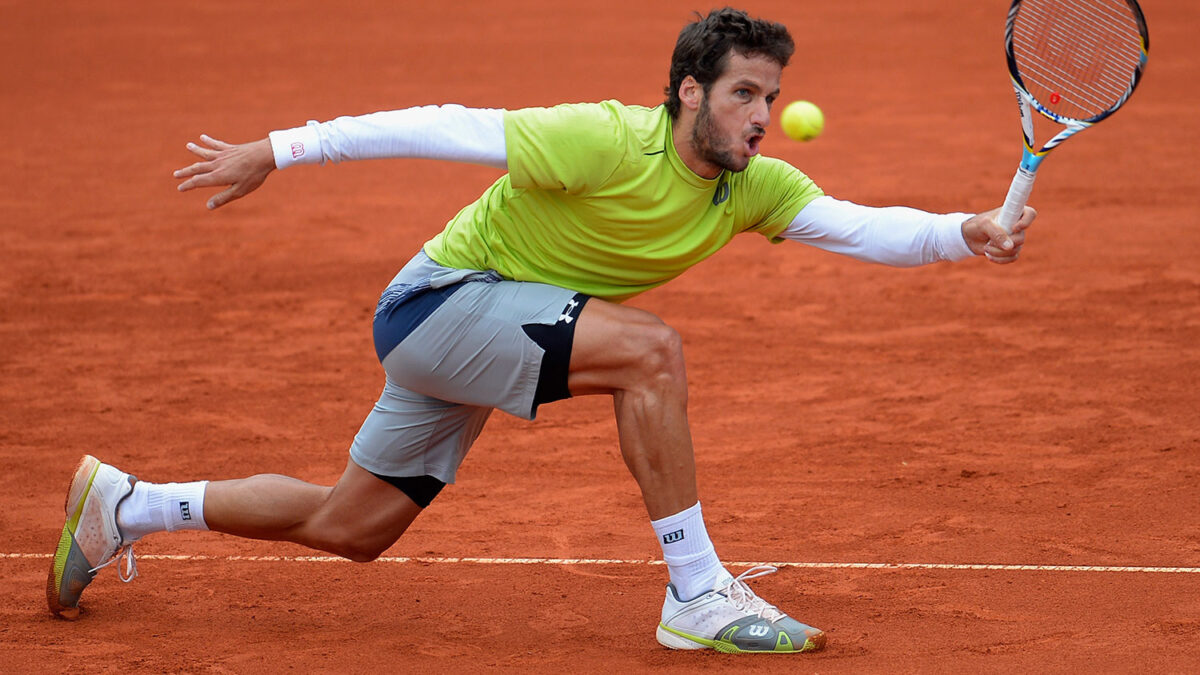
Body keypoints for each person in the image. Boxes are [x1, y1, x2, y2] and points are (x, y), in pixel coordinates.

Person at [47, 7, 1033, 654]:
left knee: (351, 527)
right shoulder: (602, 137)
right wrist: (280, 148)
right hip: (438, 303)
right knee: (651, 350)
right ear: (690, 92)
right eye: (744, 93)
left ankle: (131, 505)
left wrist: (965, 231)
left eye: (771, 95)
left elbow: (857, 227)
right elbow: (437, 122)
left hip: (488, 328)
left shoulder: (750, 189)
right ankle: (696, 594)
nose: (764, 115)